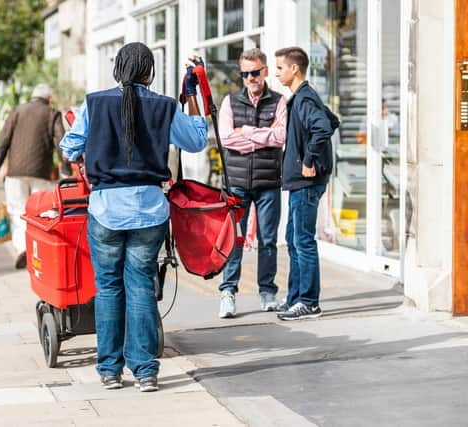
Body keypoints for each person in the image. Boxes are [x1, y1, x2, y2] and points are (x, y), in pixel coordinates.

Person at [59, 43, 208, 392]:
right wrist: (195, 100)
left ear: (118, 68)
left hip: (106, 208)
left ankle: (110, 370)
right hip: (149, 209)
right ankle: (145, 371)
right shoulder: (165, 107)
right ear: (149, 71)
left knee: (109, 287)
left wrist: (86, 157)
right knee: (141, 285)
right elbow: (197, 141)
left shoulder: (94, 103)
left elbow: (68, 146)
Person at [216, 48, 287, 318]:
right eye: (245, 74)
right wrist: (262, 135)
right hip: (237, 182)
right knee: (234, 239)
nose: (250, 78)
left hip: (269, 180)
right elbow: (226, 139)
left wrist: (245, 133)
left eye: (255, 72)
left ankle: (267, 292)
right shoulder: (230, 102)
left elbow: (280, 137)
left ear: (265, 71)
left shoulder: (279, 102)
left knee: (268, 240)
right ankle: (228, 292)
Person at [274, 46, 339, 320]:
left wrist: (309, 160)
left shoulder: (304, 99)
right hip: (298, 183)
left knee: (303, 240)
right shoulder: (302, 97)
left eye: (279, 68)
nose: (277, 73)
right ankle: (295, 298)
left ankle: (309, 302)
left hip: (306, 183)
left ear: (294, 69)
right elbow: (332, 121)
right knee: (293, 239)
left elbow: (324, 127)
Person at [0, 84, 65, 269]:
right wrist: (67, 169)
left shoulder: (17, 111)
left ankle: (23, 249)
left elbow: (3, 141)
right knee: (41, 213)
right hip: (41, 172)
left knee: (18, 211)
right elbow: (61, 141)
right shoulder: (52, 113)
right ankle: (39, 250)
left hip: (15, 172)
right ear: (49, 99)